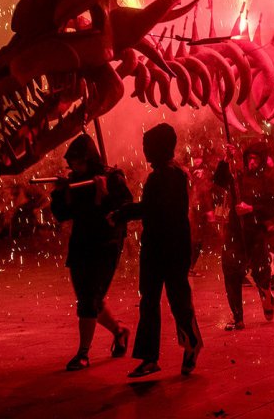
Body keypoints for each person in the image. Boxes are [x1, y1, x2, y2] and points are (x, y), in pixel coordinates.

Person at [117, 123, 203, 378]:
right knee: (150, 301)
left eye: (148, 147)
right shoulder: (169, 174)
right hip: (156, 246)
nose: (144, 151)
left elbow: (153, 209)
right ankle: (149, 357)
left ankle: (191, 344)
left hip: (170, 247)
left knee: (177, 300)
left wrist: (123, 211)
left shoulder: (168, 175)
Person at [49, 134, 133, 371]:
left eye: (79, 162)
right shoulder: (75, 181)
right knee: (89, 298)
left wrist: (104, 193)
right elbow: (63, 215)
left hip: (106, 244)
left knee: (89, 299)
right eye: (73, 163)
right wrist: (61, 193)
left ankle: (83, 353)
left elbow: (123, 209)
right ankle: (119, 331)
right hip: (81, 242)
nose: (75, 167)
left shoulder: (113, 177)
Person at [213, 142, 274, 330]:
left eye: (256, 159)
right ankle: (237, 317)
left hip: (255, 233)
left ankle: (266, 295)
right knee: (231, 272)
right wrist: (226, 160)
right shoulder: (237, 177)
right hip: (235, 233)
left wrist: (252, 209)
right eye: (249, 158)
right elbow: (219, 180)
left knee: (261, 273)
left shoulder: (268, 181)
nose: (252, 162)